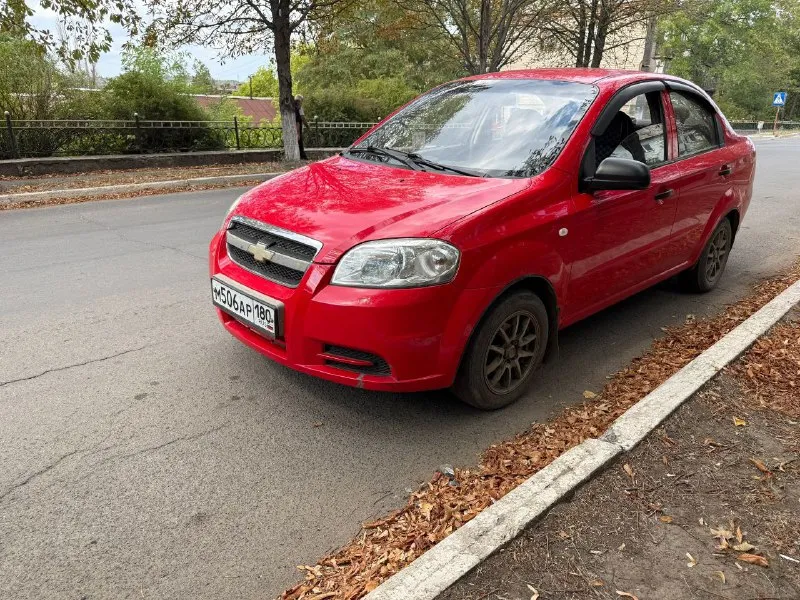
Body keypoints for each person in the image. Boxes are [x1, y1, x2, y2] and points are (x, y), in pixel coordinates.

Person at [294, 94, 309, 160]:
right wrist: (307, 126)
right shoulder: (299, 108)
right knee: (300, 142)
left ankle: (301, 155)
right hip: (297, 127)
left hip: (294, 127)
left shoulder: (293, 107)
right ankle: (302, 156)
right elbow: (302, 118)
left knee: (298, 142)